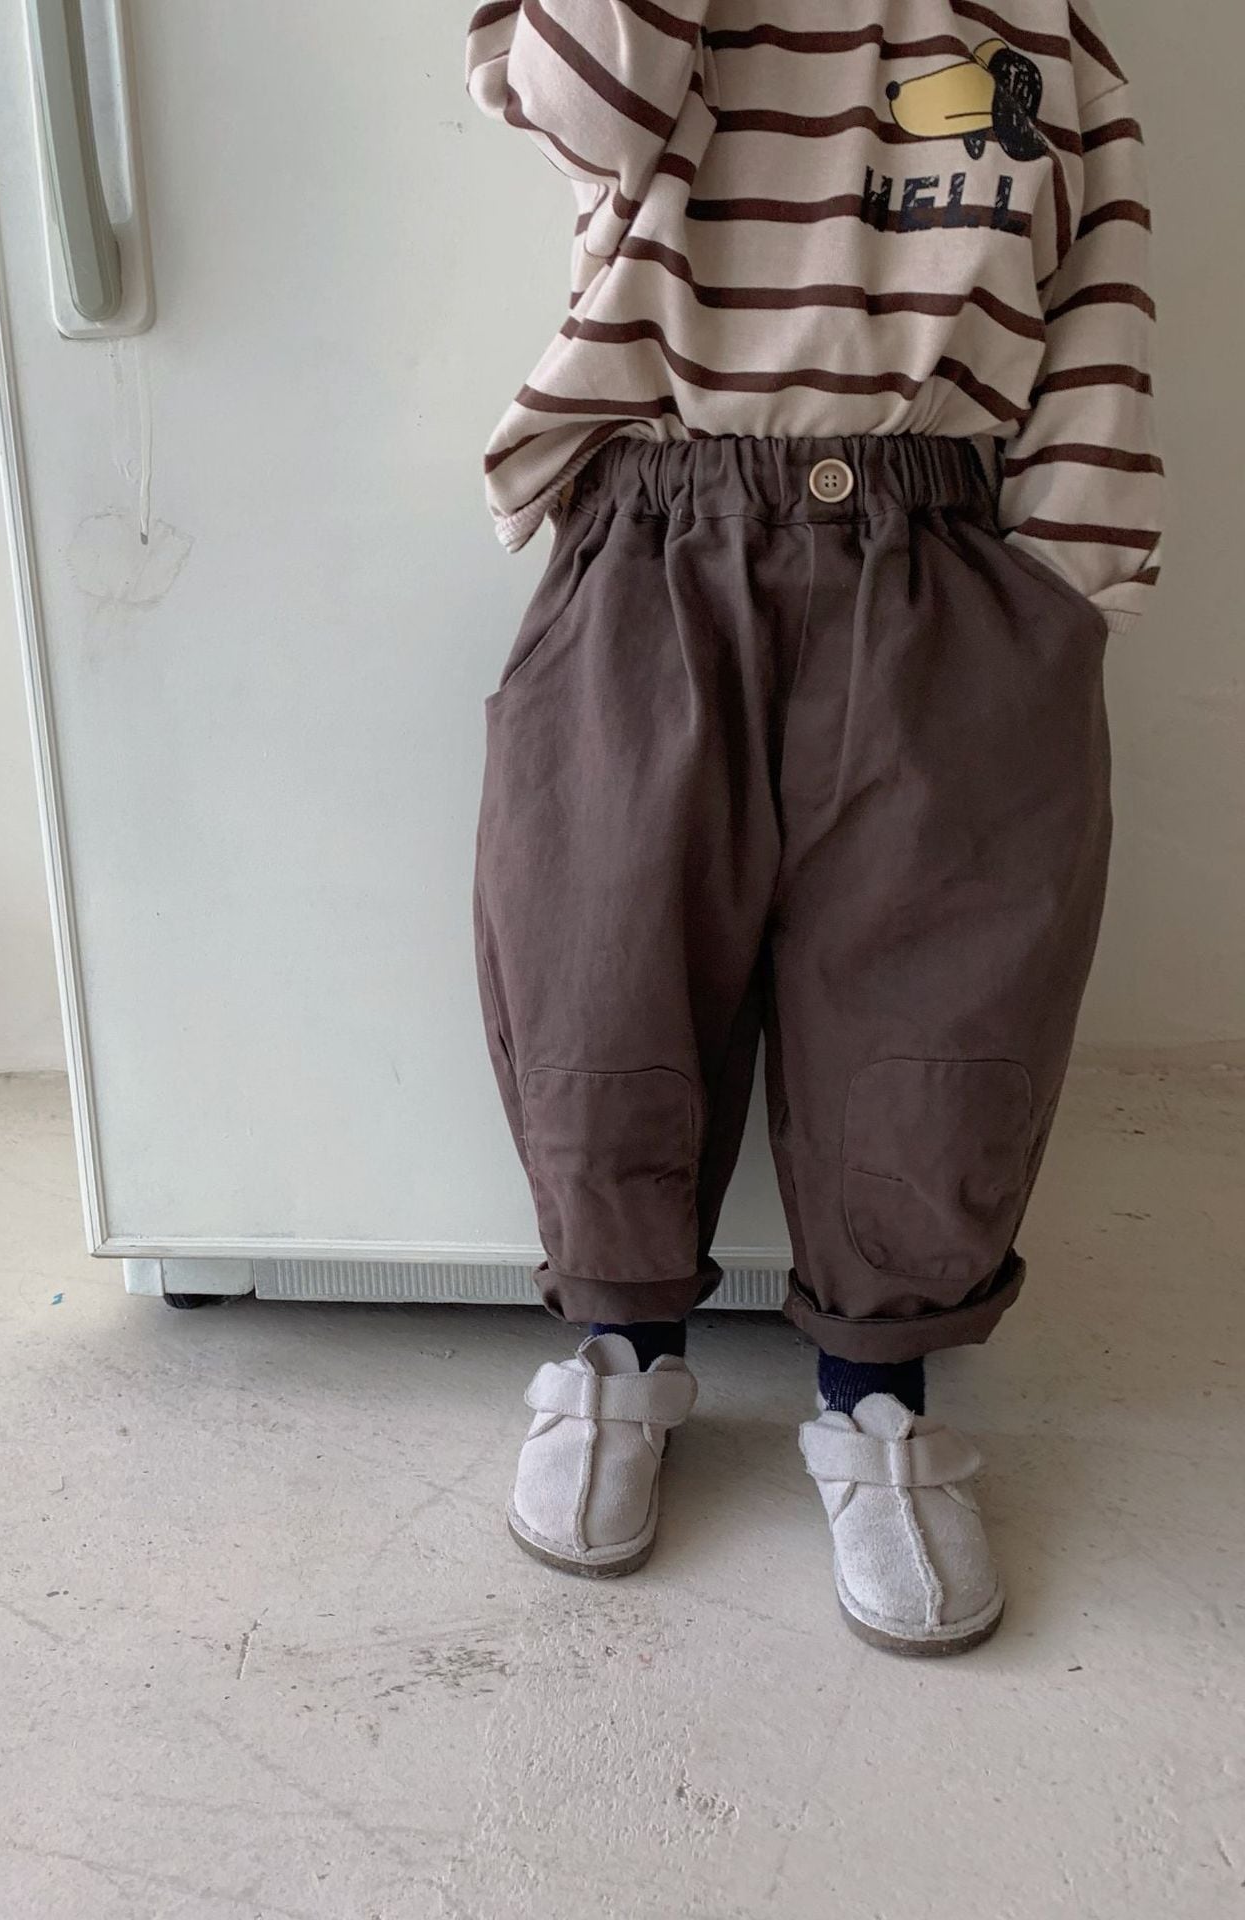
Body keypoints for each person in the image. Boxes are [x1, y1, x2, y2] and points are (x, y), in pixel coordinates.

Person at [467, 0, 1160, 1654]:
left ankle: (879, 1393)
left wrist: (1061, 596)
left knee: (941, 993)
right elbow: (575, 99)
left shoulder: (1041, 34)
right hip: (657, 529)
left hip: (943, 552)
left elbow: (1101, 310)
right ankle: (621, 1352)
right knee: (599, 956)